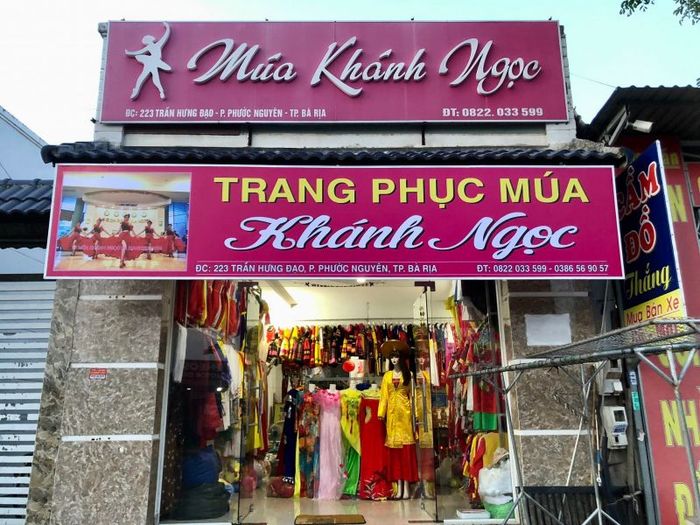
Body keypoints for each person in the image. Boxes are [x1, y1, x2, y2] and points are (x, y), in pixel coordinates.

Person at [378, 343, 418, 499]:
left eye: (396, 357)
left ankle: (407, 488)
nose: (394, 360)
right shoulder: (387, 376)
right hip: (392, 416)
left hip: (405, 414)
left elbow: (413, 396)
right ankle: (399, 488)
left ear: (401, 358)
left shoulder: (409, 375)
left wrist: (415, 415)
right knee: (395, 455)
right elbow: (384, 396)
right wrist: (381, 413)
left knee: (406, 452)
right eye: (392, 357)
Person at [125, 22, 172, 100]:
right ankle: (160, 91)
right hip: (151, 62)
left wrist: (167, 27)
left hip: (154, 62)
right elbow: (138, 52)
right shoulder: (153, 46)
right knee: (152, 77)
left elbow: (165, 36)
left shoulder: (157, 45)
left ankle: (138, 90)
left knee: (146, 77)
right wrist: (129, 53)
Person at [478, 447, 514, 519]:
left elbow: (482, 492)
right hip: (503, 506)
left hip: (497, 506)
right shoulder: (486, 472)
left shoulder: (485, 472)